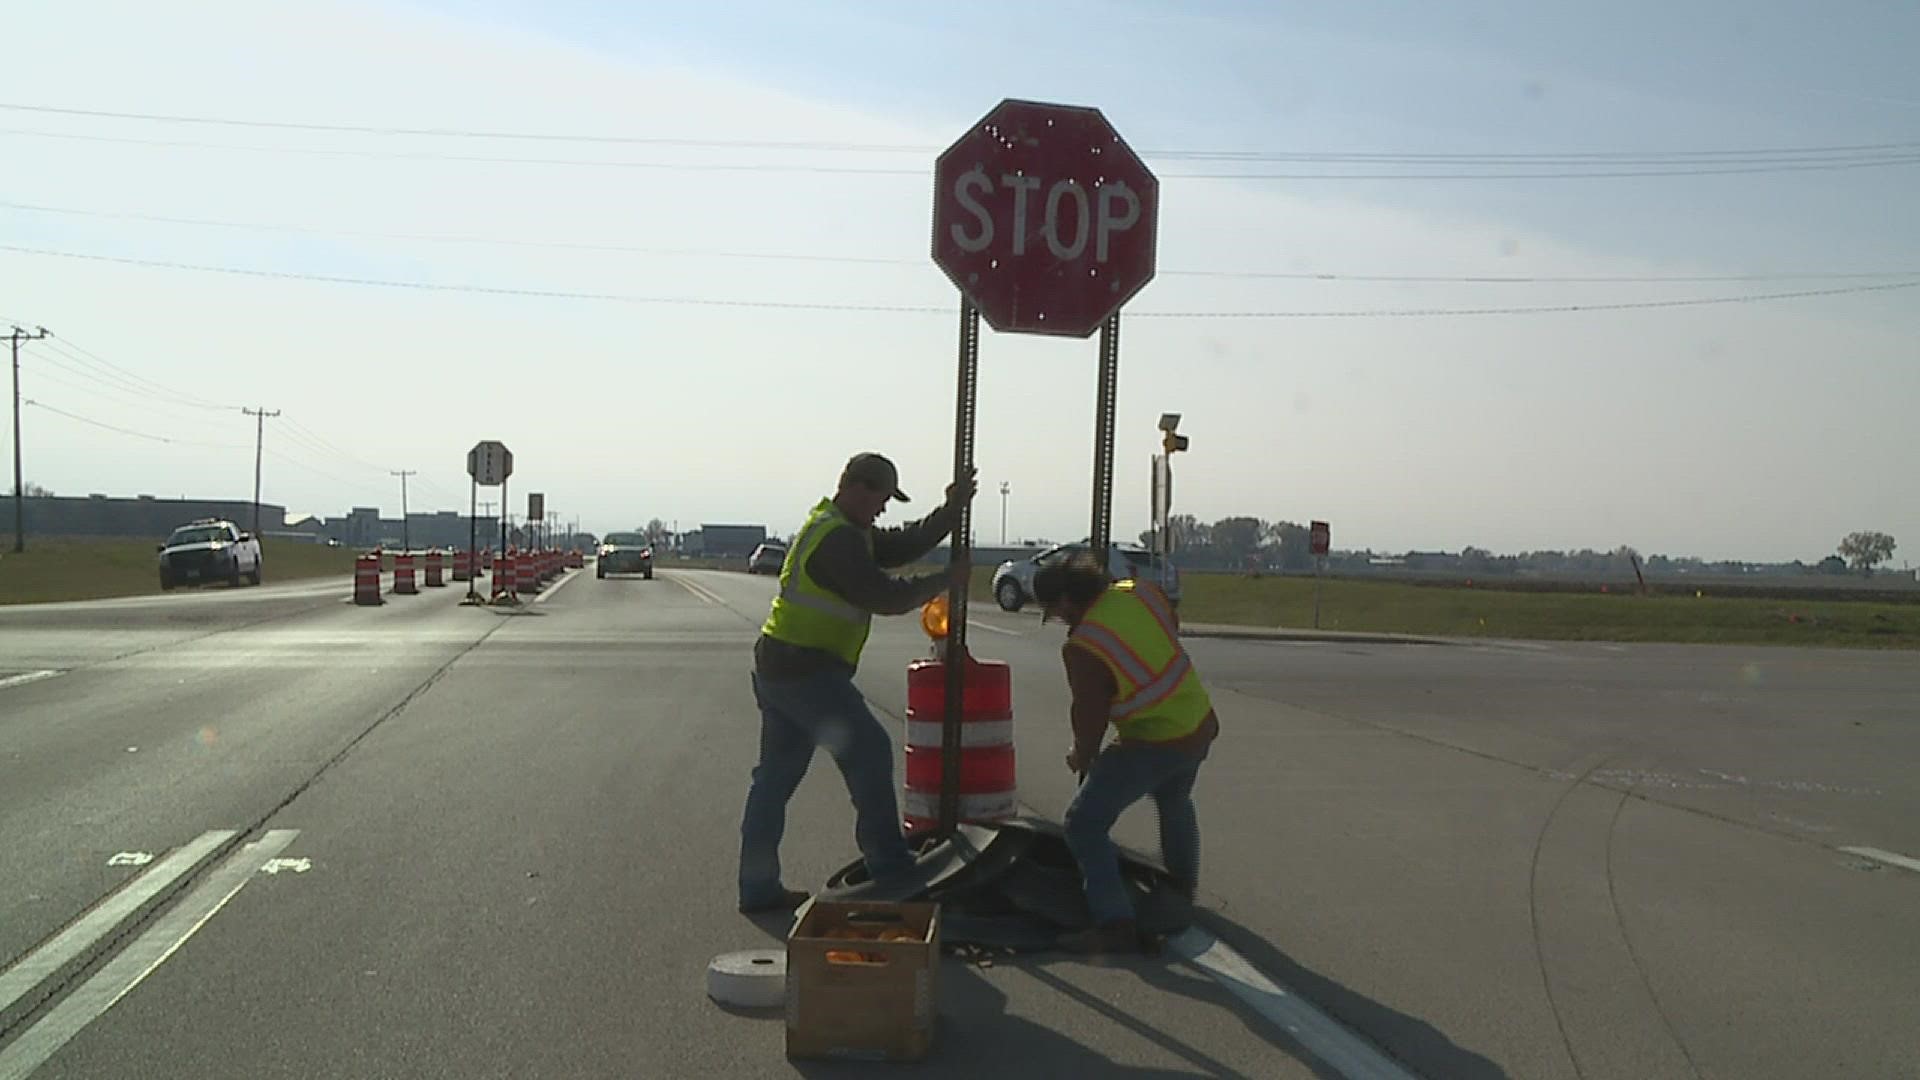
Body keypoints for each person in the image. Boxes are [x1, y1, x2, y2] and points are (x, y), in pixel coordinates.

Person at [737, 452, 976, 914]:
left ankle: (758, 886)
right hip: (805, 671)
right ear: (855, 487)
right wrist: (948, 579)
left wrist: (952, 509)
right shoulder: (838, 542)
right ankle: (891, 871)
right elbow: (885, 597)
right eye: (881, 498)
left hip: (782, 665)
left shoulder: (842, 528)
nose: (883, 509)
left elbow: (905, 544)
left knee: (774, 779)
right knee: (868, 749)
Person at [1032, 551, 1220, 954]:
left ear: (1065, 601)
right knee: (1174, 800)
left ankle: (1113, 923)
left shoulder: (1084, 646)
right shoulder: (1138, 592)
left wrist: (1082, 754)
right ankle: (1182, 892)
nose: (1058, 619)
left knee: (1083, 823)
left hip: (1155, 739)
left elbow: (1089, 713)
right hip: (1197, 721)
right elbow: (1170, 627)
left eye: (1054, 611)